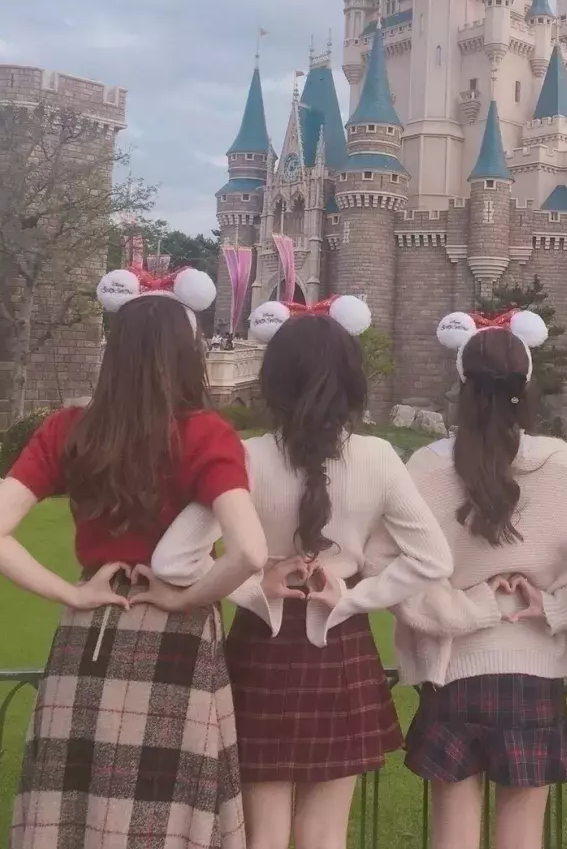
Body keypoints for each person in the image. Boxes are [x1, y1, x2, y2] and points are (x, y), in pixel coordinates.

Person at [0, 265, 268, 849]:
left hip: (92, 627)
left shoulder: (68, 429)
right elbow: (250, 551)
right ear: (188, 355)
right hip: (176, 635)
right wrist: (184, 598)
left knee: (74, 800)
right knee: (166, 809)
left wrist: (71, 592)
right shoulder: (207, 434)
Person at [149, 294, 454, 849]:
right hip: (340, 642)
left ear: (274, 381)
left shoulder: (246, 457)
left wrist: (252, 586)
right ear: (351, 381)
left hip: (260, 645)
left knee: (261, 833)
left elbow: (174, 559)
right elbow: (434, 560)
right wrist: (351, 598)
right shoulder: (378, 457)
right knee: (324, 834)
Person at [380, 309, 567, 849]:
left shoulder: (426, 468)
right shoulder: (561, 463)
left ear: (462, 385)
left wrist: (469, 609)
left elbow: (393, 571)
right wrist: (556, 606)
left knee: (453, 836)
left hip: (452, 671)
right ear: (525, 387)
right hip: (533, 672)